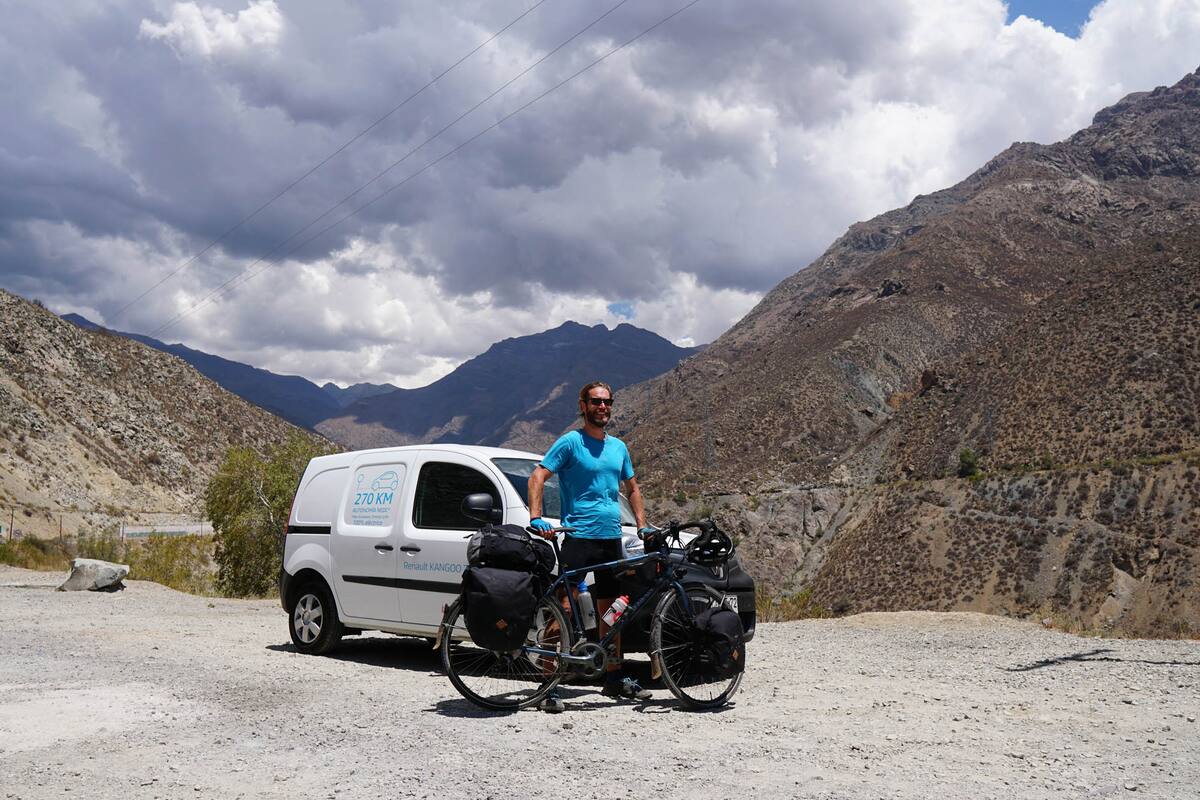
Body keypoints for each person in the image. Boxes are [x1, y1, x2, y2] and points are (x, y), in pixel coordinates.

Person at [527, 380, 652, 713]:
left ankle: (614, 678)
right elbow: (538, 475)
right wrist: (537, 517)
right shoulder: (571, 442)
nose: (603, 407)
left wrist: (641, 525)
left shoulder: (618, 448)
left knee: (612, 612)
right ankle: (548, 685)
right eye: (596, 402)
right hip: (579, 537)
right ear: (582, 405)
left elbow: (633, 488)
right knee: (565, 608)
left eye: (607, 402)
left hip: (611, 538)